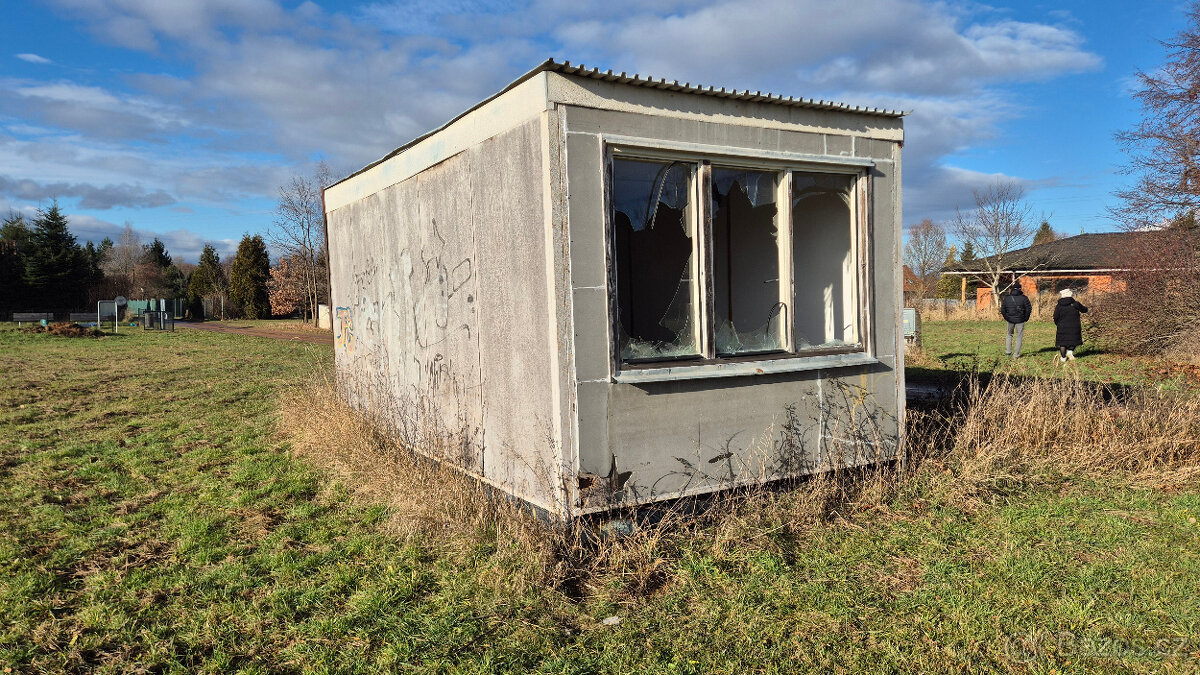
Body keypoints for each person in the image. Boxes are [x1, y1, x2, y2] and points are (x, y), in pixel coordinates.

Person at [1053, 288, 1088, 362]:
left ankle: (1063, 358)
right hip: (1074, 326)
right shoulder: (1075, 304)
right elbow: (1084, 310)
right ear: (1070, 295)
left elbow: (1055, 316)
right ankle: (1070, 352)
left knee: (1062, 342)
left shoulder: (1058, 305)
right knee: (1074, 339)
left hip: (1062, 326)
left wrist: (1058, 324)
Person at [999, 282, 1033, 357]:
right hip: (1020, 320)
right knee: (1019, 336)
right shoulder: (1024, 298)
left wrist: (1006, 317)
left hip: (1010, 320)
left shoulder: (1007, 298)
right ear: (1020, 289)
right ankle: (1016, 354)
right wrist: (1026, 318)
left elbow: (1003, 309)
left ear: (1012, 289)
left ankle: (1008, 352)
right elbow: (1029, 309)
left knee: (1009, 335)